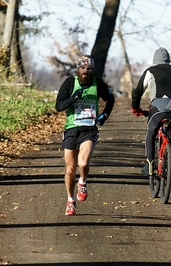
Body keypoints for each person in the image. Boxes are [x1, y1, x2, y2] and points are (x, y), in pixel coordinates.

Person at [55, 54, 115, 216]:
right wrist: (73, 99)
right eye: (82, 68)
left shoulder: (98, 84)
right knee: (69, 170)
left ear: (92, 70)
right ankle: (70, 200)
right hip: (71, 129)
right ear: (78, 69)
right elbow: (58, 106)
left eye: (89, 68)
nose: (85, 71)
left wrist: (104, 115)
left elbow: (110, 99)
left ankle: (82, 181)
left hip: (88, 130)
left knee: (82, 164)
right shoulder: (70, 83)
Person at [131, 47, 171, 176]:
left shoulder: (150, 71)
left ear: (154, 61)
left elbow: (137, 92)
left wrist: (136, 108)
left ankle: (149, 163)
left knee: (151, 133)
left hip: (157, 110)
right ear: (168, 60)